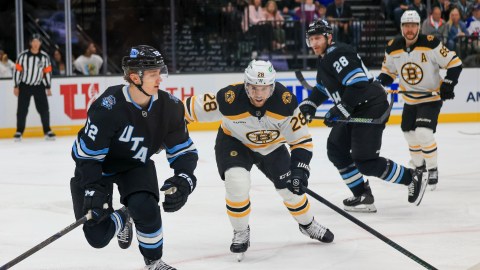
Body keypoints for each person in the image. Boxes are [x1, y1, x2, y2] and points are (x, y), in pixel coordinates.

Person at [183, 60, 334, 258]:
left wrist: (299, 169)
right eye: (253, 88)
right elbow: (188, 109)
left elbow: (301, 141)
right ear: (246, 85)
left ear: (272, 86)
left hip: (272, 147)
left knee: (290, 190)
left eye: (263, 88)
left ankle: (307, 224)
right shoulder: (229, 98)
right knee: (237, 184)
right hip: (234, 142)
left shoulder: (285, 103)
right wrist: (167, 129)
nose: (258, 94)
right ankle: (240, 232)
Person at [70, 45, 199, 270]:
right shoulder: (107, 106)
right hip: (97, 168)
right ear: (134, 77)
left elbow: (183, 150)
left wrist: (185, 177)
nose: (160, 79)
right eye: (153, 74)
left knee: (146, 208)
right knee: (97, 237)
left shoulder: (170, 107)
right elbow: (87, 156)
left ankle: (154, 262)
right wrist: (92, 188)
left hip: (134, 165)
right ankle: (124, 215)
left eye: (160, 72)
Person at [298, 20, 428, 213]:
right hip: (355, 108)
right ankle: (362, 195)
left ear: (329, 37)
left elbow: (358, 83)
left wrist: (339, 110)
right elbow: (322, 88)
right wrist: (310, 105)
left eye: (318, 38)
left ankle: (412, 177)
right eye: (311, 39)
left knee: (365, 162)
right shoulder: (325, 59)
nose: (314, 43)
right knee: (336, 148)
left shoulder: (338, 54)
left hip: (371, 106)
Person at [377, 10, 463, 191]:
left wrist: (448, 83)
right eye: (406, 26)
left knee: (423, 132)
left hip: (431, 98)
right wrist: (378, 84)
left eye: (413, 25)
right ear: (401, 27)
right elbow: (388, 72)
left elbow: (455, 63)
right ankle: (419, 166)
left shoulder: (431, 44)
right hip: (410, 99)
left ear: (418, 27)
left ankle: (432, 169)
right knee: (409, 134)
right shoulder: (393, 47)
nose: (410, 29)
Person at [13, 34, 55, 141]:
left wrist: (48, 86)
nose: (36, 44)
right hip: (25, 85)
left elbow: (47, 72)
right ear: (30, 43)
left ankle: (47, 130)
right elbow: (17, 71)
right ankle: (19, 131)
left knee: (44, 109)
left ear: (40, 43)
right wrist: (16, 85)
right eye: (34, 41)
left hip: (39, 86)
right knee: (22, 110)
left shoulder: (44, 57)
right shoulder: (22, 56)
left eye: (38, 41)